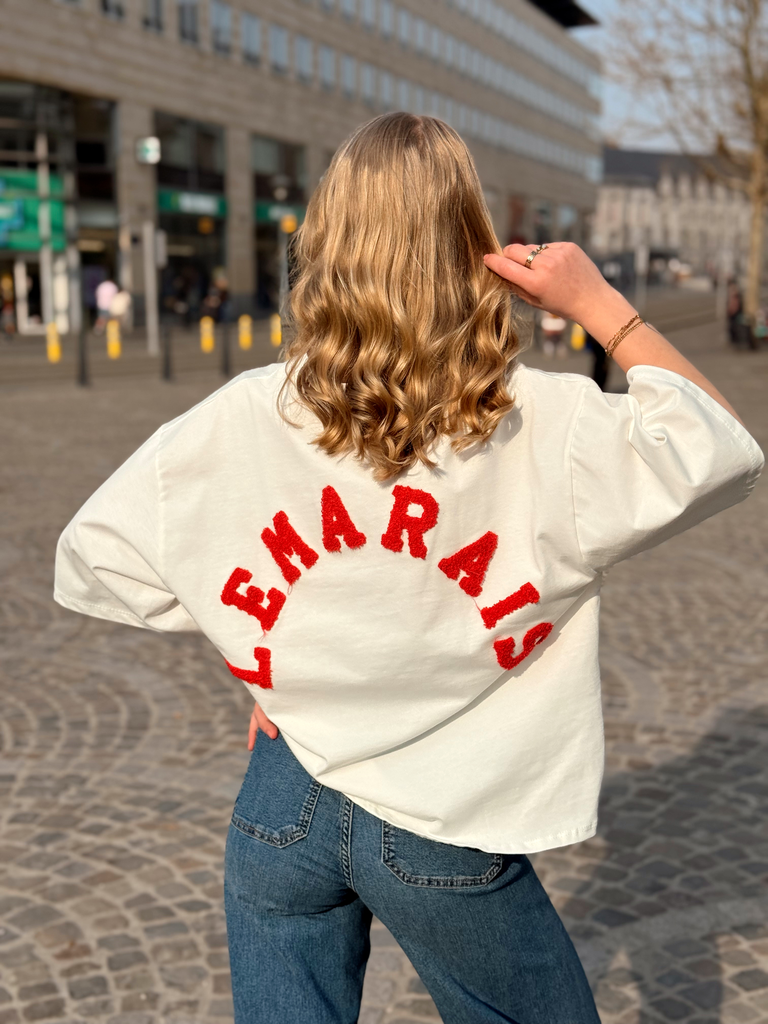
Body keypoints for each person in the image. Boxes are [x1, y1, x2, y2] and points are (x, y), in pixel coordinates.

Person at [53, 114, 763, 1024]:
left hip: (285, 796)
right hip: (448, 818)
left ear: (325, 247)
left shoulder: (241, 415)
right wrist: (601, 308)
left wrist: (269, 649)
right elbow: (719, 447)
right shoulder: (541, 422)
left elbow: (98, 559)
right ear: (474, 249)